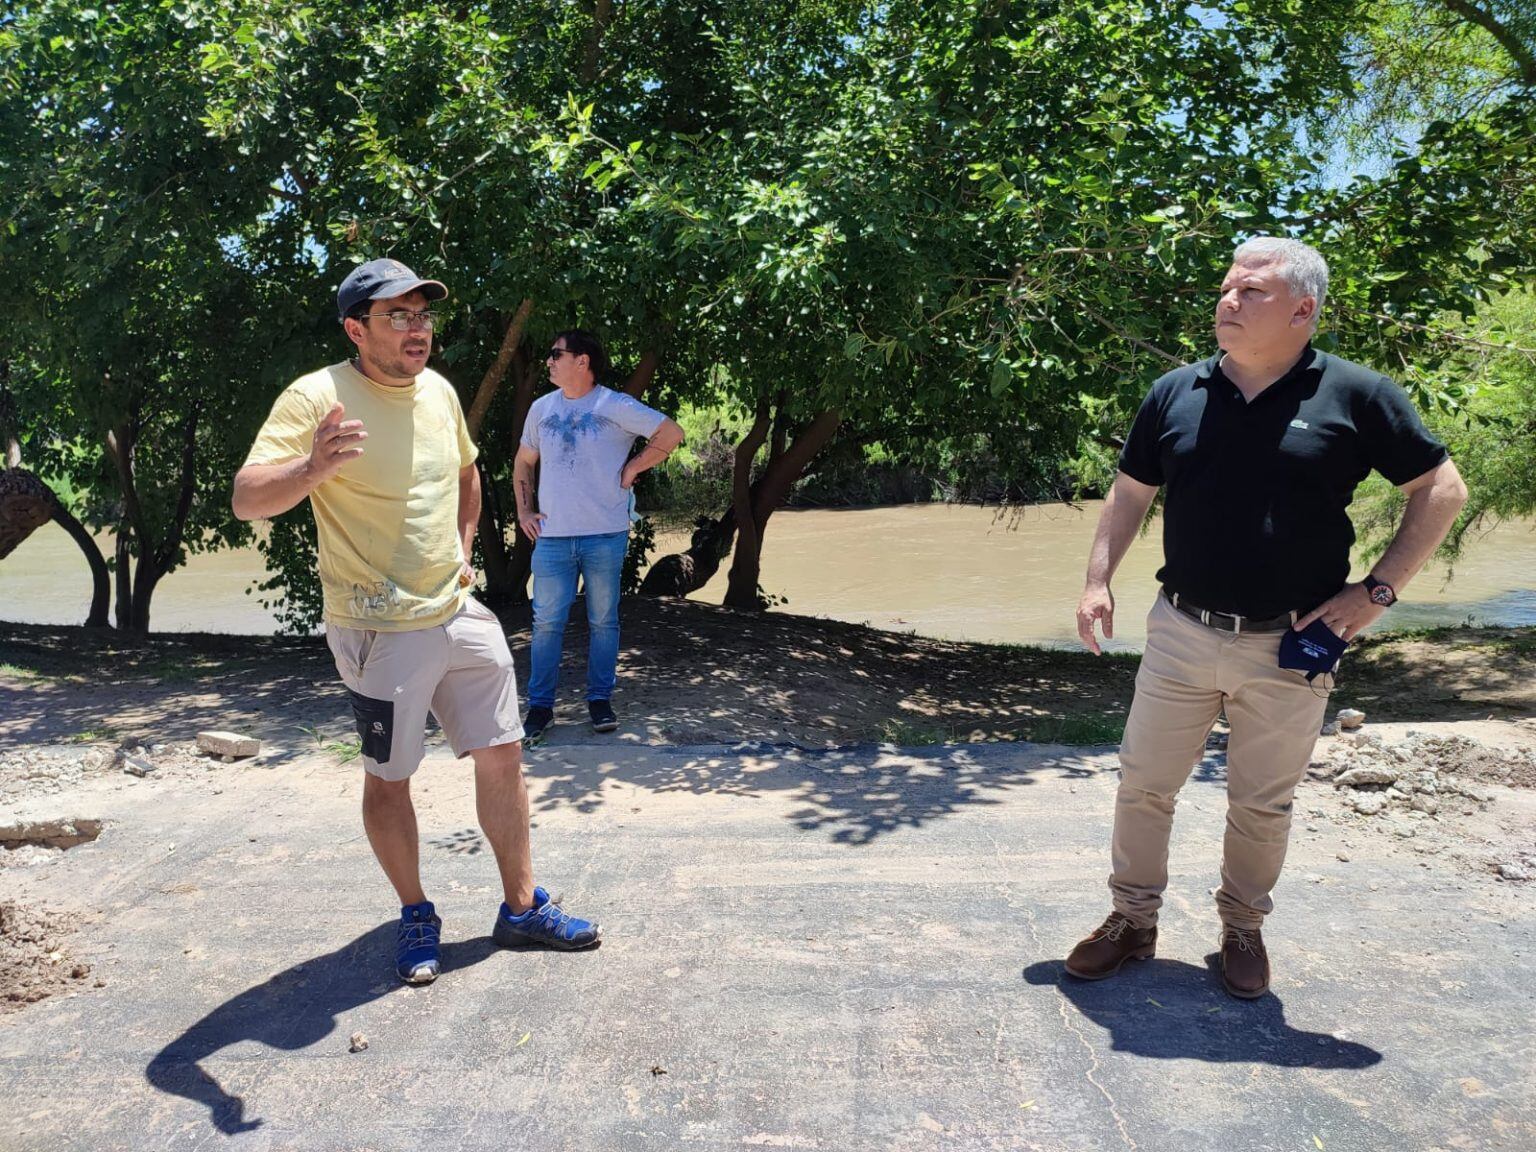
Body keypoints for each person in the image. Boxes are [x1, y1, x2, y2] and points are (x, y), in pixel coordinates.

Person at [1067, 237, 1468, 998]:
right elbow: (1129, 493)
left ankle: (1243, 927)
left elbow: (1441, 489)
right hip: (1182, 629)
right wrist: (1097, 582)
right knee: (1144, 785)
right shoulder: (1175, 392)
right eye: (1227, 288)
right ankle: (1131, 921)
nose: (1228, 301)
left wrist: (1374, 592)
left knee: (1261, 801)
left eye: (1251, 292)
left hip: (1293, 641)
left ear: (1301, 309)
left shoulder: (1355, 395)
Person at [232, 259, 601, 985]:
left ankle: (521, 907)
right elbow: (247, 497)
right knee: (391, 776)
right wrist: (309, 470)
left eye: (422, 315)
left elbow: (467, 474)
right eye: (395, 316)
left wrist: (465, 553)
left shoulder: (438, 391)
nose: (416, 330)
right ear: (354, 329)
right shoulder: (318, 396)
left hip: (458, 611)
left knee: (503, 754)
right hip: (377, 626)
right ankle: (415, 911)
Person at [513, 330, 684, 743]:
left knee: (603, 621)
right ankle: (540, 709)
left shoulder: (615, 405)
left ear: (582, 361)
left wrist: (633, 469)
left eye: (557, 355)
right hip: (552, 538)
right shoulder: (540, 409)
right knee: (546, 624)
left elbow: (670, 434)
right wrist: (523, 510)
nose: (549, 362)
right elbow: (523, 463)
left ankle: (600, 701)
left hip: (605, 535)